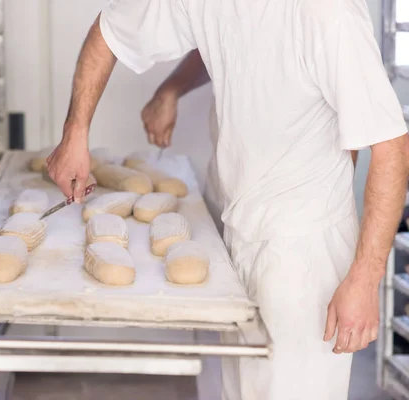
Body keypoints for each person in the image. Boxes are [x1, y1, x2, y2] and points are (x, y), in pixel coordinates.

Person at [46, 1, 409, 399]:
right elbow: (112, 32)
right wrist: (76, 132)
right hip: (241, 229)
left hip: (305, 250)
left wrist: (364, 278)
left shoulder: (328, 15)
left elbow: (392, 146)